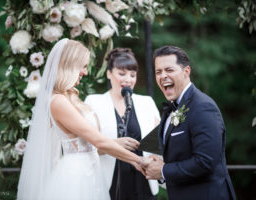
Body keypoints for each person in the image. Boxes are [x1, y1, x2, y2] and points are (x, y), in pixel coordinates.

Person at [17, 39, 144, 200]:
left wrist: (117, 143)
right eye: (83, 66)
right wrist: (139, 161)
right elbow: (99, 142)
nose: (85, 72)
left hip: (91, 171)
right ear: (69, 65)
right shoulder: (57, 101)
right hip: (76, 176)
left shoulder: (69, 97)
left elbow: (90, 141)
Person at [142, 45, 236, 200]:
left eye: (169, 70)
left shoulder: (203, 107)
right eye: (158, 72)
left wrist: (164, 171)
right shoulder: (172, 108)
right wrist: (158, 166)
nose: (162, 76)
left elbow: (205, 162)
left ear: (186, 71)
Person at [85, 48, 161, 200]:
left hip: (143, 183)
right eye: (121, 74)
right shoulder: (94, 102)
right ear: (109, 73)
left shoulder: (147, 102)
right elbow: (86, 148)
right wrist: (114, 144)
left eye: (132, 75)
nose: (128, 79)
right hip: (108, 185)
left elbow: (160, 142)